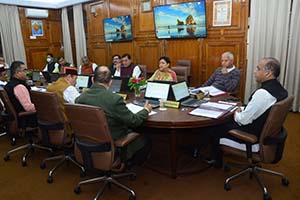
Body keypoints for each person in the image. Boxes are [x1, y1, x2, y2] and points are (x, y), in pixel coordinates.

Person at [208, 57, 288, 167]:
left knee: (215, 127)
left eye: (258, 68)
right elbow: (260, 110)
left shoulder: (263, 94)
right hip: (265, 134)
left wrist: (237, 112)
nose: (255, 71)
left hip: (252, 138)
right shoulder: (280, 90)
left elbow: (243, 120)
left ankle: (216, 161)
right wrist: (244, 110)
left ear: (268, 73)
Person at [75, 66, 152, 161]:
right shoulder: (114, 99)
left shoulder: (79, 99)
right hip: (111, 142)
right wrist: (146, 110)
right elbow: (134, 121)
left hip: (86, 142)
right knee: (146, 138)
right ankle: (129, 163)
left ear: (92, 79)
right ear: (110, 82)